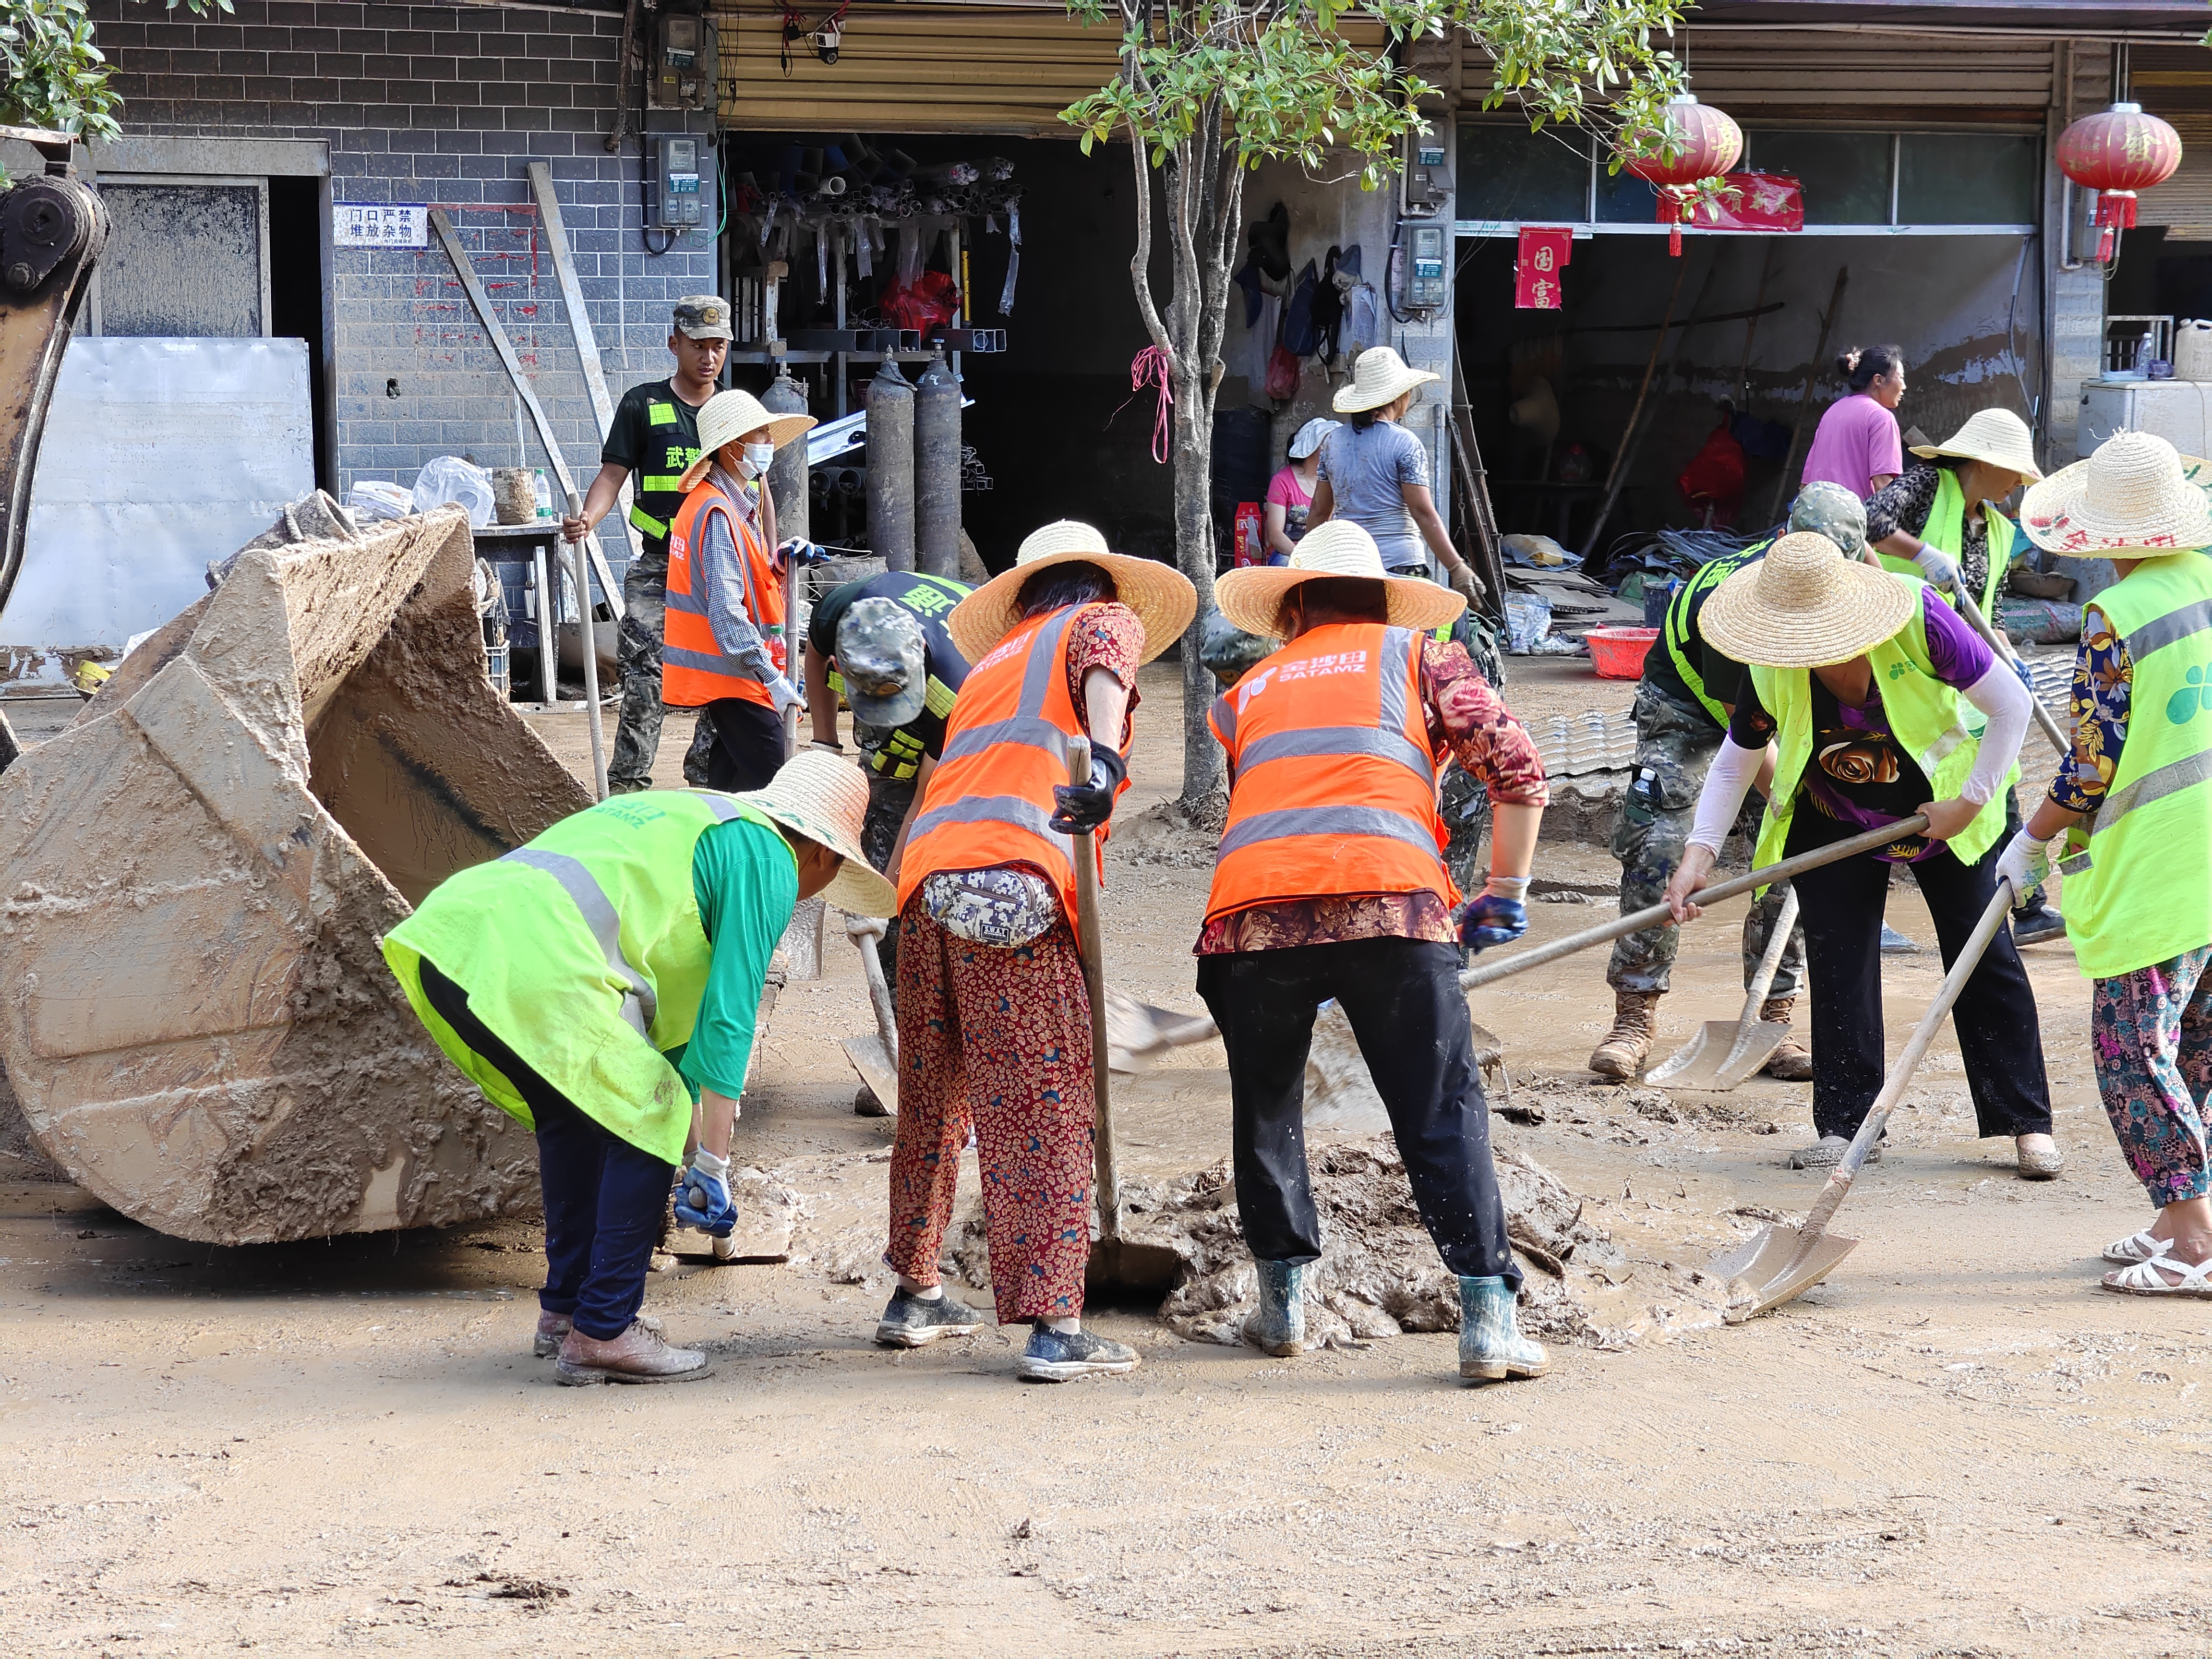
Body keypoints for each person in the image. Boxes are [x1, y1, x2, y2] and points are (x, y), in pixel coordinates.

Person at [379, 753, 894, 1384]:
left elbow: (673, 1047)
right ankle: (604, 1331)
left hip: (458, 945)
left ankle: (566, 1314)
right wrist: (712, 1165)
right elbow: (729, 1021)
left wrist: (694, 1145)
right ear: (824, 856)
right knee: (650, 1113)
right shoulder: (768, 858)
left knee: (580, 1121)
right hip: (542, 963)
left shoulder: (691, 819)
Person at [1196, 520, 1549, 1383]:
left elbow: (1278, 798)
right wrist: (1504, 891)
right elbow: (1517, 768)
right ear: (1385, 599)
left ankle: (1280, 1308)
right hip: (1389, 904)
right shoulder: (1420, 656)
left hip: (1249, 920)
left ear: (1290, 610)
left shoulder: (1247, 687)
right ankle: (1485, 1321)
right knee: (1437, 1106)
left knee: (1267, 1108)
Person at [876, 521, 1197, 1382]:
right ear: (1095, 581)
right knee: (1040, 1102)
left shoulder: (989, 666)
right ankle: (1056, 1322)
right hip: (1012, 888)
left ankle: (913, 1292)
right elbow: (1106, 659)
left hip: (928, 893)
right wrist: (1100, 761)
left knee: (933, 1097)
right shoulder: (1098, 618)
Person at [1663, 531, 2061, 1178]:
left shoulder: (1920, 618)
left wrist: (1967, 802)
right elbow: (1737, 761)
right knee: (1839, 960)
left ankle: (2027, 1123)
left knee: (1982, 950)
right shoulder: (1768, 655)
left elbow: (2012, 704)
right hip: (1833, 815)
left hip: (1947, 804)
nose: (1809, 651)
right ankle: (1846, 1124)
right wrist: (1697, 855)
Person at [2003, 431, 2212, 1292]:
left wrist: (2030, 837)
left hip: (2158, 868)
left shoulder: (2114, 618)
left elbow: (2091, 766)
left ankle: (2195, 1243)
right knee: (2192, 1047)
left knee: (2131, 1050)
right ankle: (2177, 1218)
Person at [1588, 483, 1876, 1081]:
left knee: (1794, 854)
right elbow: (1743, 740)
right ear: (1783, 540)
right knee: (1663, 848)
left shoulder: (1850, 579)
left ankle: (1773, 1018)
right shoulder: (1735, 600)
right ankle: (1634, 1015)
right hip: (1690, 713)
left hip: (1786, 705)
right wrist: (1798, 801)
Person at [1869, 407, 2063, 943]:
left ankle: (2024, 903)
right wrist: (1921, 552)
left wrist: (2009, 656)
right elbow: (1868, 525)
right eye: (2013, 473)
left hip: (1968, 672)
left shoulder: (1999, 529)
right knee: (1891, 776)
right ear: (1984, 461)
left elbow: (1990, 612)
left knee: (1997, 776)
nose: (2018, 484)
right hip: (1900, 662)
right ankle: (1869, 906)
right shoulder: (1929, 486)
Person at [563, 296, 732, 793]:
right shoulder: (643, 405)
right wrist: (588, 519)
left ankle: (707, 779)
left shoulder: (733, 412)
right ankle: (628, 788)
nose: (708, 357)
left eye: (718, 346)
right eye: (698, 346)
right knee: (645, 674)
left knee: (726, 674)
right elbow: (612, 476)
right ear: (674, 344)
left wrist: (768, 549)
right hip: (658, 566)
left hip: (718, 567)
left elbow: (756, 488)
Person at [803, 566, 974, 1009]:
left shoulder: (958, 690)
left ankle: (918, 1004)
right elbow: (816, 657)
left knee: (929, 864)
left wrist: (884, 896)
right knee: (880, 798)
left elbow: (923, 804)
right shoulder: (840, 612)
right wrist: (826, 743)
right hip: (920, 679)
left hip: (982, 716)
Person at [664, 388, 817, 792]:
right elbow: (727, 610)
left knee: (731, 789)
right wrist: (771, 678)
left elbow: (744, 578)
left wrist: (780, 563)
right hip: (740, 676)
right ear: (733, 447)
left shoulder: (731, 505)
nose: (769, 444)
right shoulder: (717, 512)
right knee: (781, 787)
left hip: (736, 674)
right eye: (762, 435)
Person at [1306, 346, 1485, 606]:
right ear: (1399, 397)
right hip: (1400, 566)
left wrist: (1308, 562)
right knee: (1400, 644)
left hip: (1350, 564)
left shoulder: (1333, 442)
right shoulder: (1404, 443)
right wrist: (1457, 567)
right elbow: (1422, 512)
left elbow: (1320, 511)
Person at [1800, 344, 1906, 502]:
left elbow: (1805, 485)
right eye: (1901, 378)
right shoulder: (1881, 418)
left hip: (1816, 516)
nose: (1904, 387)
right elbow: (1883, 485)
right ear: (1879, 380)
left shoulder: (1832, 412)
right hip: (1851, 521)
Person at [1263, 418, 1335, 563]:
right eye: (1326, 445)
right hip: (1289, 554)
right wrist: (1302, 558)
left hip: (1326, 557)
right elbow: (1275, 534)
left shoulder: (1336, 481)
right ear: (1311, 448)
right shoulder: (1283, 481)